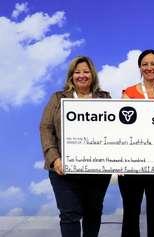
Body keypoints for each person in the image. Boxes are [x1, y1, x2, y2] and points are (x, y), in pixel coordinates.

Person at [40, 56, 112, 237]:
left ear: (92, 75)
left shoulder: (105, 98)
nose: (82, 75)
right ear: (71, 76)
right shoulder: (58, 98)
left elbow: (114, 131)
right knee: (69, 216)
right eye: (77, 72)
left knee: (93, 214)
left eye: (86, 71)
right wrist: (54, 158)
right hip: (63, 170)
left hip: (97, 172)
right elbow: (46, 128)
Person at [118, 49, 154, 237]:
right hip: (132, 165)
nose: (149, 68)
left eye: (153, 64)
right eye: (145, 64)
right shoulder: (129, 93)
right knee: (131, 217)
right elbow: (121, 129)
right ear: (140, 67)